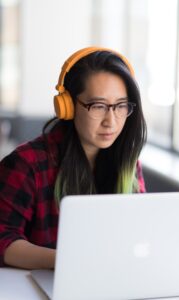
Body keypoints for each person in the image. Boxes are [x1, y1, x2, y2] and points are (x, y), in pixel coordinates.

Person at [0, 46, 147, 269]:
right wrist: (71, 261)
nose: (111, 121)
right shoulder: (27, 163)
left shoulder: (128, 163)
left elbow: (139, 232)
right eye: (98, 106)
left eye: (120, 106)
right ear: (67, 107)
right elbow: (3, 239)